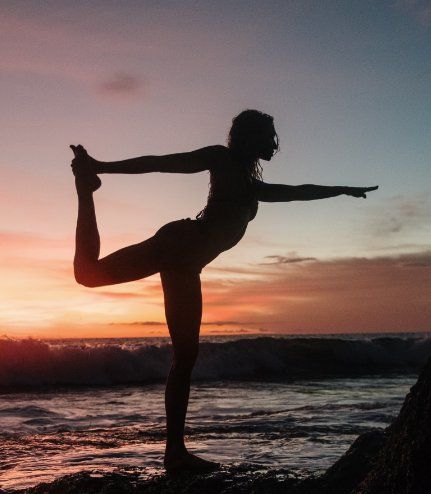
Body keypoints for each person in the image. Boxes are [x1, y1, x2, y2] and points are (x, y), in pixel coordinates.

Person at [70, 109, 378, 473]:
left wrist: (341, 190)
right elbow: (161, 163)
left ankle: (175, 453)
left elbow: (297, 192)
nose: (274, 144)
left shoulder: (251, 184)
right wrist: (101, 166)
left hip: (187, 266)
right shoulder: (221, 158)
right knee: (88, 275)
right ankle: (85, 190)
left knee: (186, 356)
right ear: (249, 136)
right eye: (268, 136)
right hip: (179, 243)